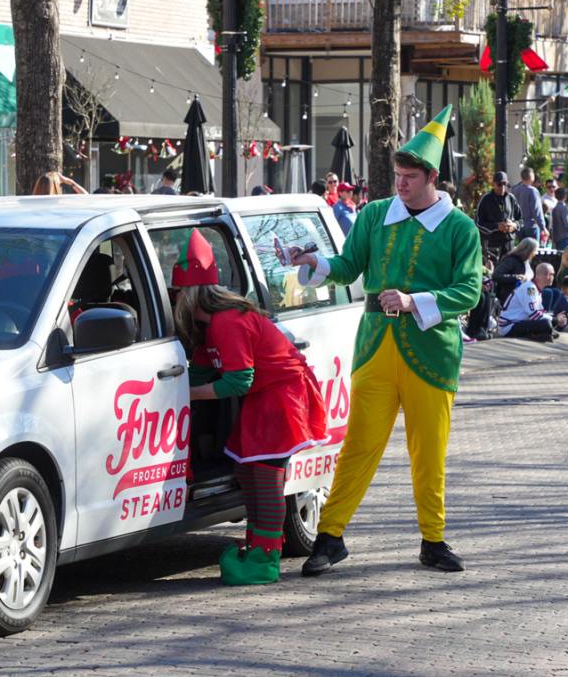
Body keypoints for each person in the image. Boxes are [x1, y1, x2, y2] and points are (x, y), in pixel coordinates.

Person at [292, 105, 481, 576]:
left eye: (409, 177)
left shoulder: (459, 228)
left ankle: (432, 540)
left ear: (431, 176)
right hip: (376, 346)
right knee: (359, 444)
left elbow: (469, 291)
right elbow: (347, 267)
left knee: (428, 448)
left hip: (431, 352)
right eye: (397, 175)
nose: (400, 184)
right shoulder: (375, 215)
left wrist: (416, 301)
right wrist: (311, 262)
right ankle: (330, 537)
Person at [173, 229, 327, 585]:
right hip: (263, 397)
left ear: (190, 294)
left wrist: (189, 395)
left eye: (179, 292)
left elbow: (237, 381)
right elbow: (200, 369)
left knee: (266, 474)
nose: (175, 298)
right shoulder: (209, 326)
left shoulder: (226, 323)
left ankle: (266, 559)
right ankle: (257, 547)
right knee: (247, 472)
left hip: (281, 396)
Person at [497, 263, 557, 341]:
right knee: (546, 324)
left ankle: (538, 334)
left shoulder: (534, 288)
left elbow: (539, 312)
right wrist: (555, 319)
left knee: (548, 324)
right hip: (509, 326)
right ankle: (535, 334)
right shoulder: (530, 288)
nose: (552, 277)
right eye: (552, 274)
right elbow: (534, 315)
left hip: (517, 322)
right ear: (547, 275)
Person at [475, 171, 521, 260]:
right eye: (499, 184)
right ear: (494, 184)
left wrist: (514, 225)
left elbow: (521, 220)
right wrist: (497, 226)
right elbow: (478, 223)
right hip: (492, 246)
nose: (502, 187)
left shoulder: (511, 198)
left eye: (505, 184)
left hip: (509, 245)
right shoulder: (486, 200)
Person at [492, 237, 537, 306]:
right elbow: (496, 275)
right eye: (535, 250)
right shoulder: (511, 260)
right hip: (512, 296)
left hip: (526, 292)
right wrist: (516, 277)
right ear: (529, 250)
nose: (536, 253)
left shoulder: (526, 262)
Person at [511, 167, 546, 243]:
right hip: (531, 226)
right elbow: (537, 211)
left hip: (519, 226)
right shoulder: (533, 191)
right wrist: (543, 227)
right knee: (532, 252)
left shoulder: (515, 190)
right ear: (531, 177)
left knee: (521, 252)